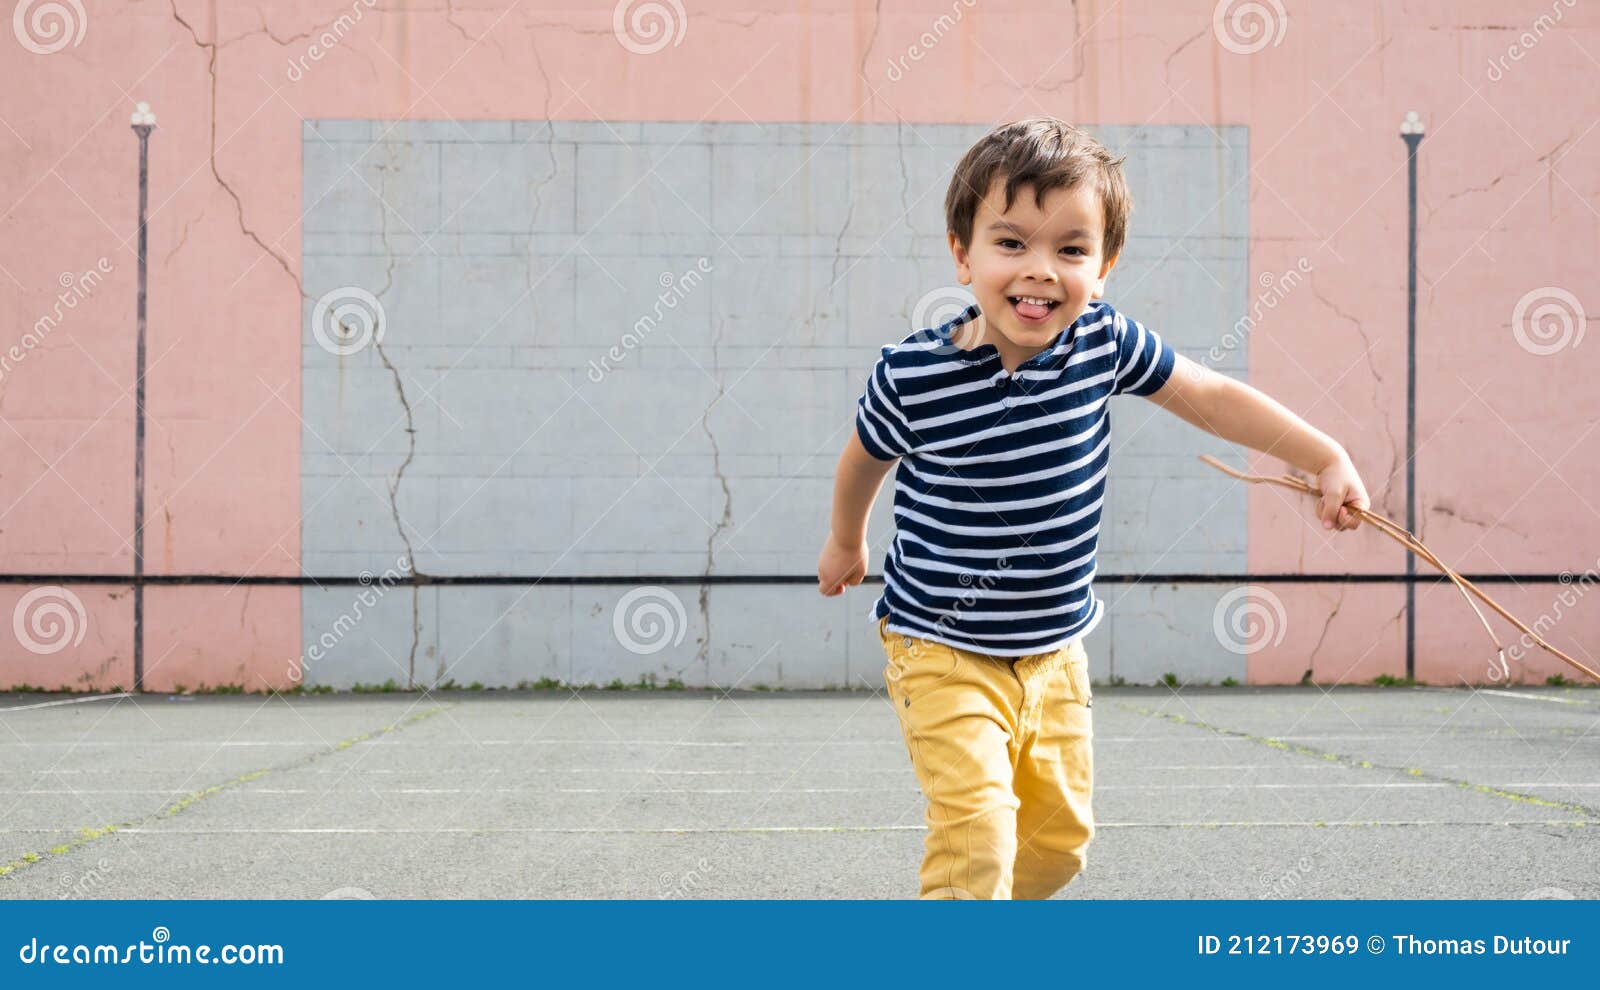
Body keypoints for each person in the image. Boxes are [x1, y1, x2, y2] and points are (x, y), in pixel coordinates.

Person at [816, 117, 1370, 900]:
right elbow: (863, 459)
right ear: (961, 252)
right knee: (977, 833)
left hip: (1053, 653)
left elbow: (1210, 399)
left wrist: (1321, 455)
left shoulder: (1104, 345)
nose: (1040, 271)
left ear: (1104, 266)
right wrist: (846, 542)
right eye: (1011, 243)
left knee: (1057, 850)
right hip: (938, 646)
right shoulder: (915, 374)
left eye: (1071, 250)